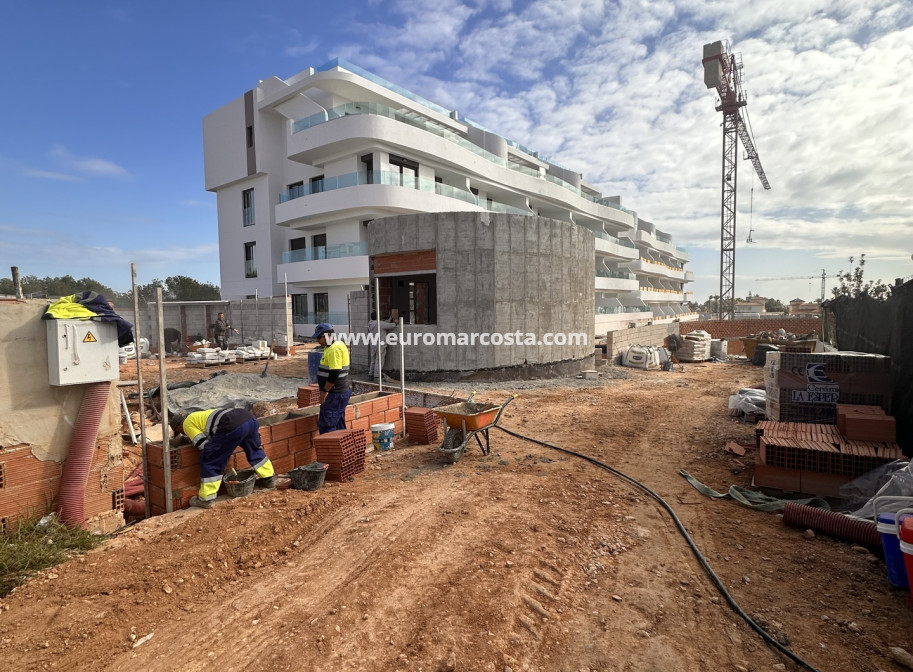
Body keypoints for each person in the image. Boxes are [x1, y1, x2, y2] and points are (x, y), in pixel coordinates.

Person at [170, 407, 275, 508]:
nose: (183, 434)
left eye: (180, 432)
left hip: (232, 425)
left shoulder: (187, 424)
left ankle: (206, 499)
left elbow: (203, 445)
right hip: (249, 419)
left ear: (179, 426)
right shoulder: (198, 415)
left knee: (210, 458)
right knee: (253, 449)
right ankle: (268, 479)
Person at [313, 322, 351, 434]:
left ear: (328, 335)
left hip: (335, 394)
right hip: (337, 393)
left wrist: (325, 391)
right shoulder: (332, 346)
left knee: (327, 425)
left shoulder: (334, 349)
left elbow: (335, 372)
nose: (317, 340)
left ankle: (330, 450)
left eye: (319, 337)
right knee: (338, 424)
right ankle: (342, 450)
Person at [367, 310, 397, 381]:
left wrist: (389, 319)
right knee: (379, 360)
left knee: (373, 360)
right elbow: (391, 326)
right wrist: (395, 322)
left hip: (373, 344)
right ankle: (377, 376)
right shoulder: (380, 324)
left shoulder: (370, 323)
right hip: (380, 345)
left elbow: (383, 323)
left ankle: (371, 374)